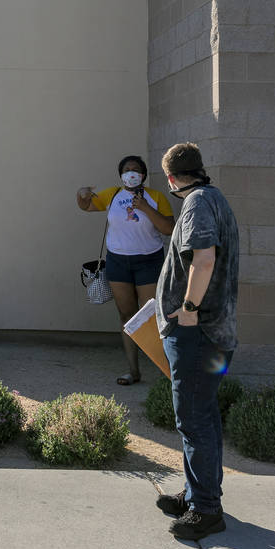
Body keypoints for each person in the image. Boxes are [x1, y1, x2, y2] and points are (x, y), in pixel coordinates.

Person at [153, 142, 239, 541]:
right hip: (211, 333)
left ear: (170, 178)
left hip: (199, 334)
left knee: (193, 418)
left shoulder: (197, 204)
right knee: (203, 416)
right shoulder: (214, 197)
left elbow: (203, 260)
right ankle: (196, 495)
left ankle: (206, 510)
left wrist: (188, 308)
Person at [76, 155, 174, 385]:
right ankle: (133, 370)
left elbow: (169, 228)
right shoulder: (112, 194)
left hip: (149, 261)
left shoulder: (156, 197)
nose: (131, 173)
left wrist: (146, 207)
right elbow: (87, 206)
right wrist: (81, 195)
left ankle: (165, 369)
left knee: (150, 317)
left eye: (136, 169)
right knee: (126, 316)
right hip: (119, 261)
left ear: (143, 175)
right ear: (121, 175)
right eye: (127, 169)